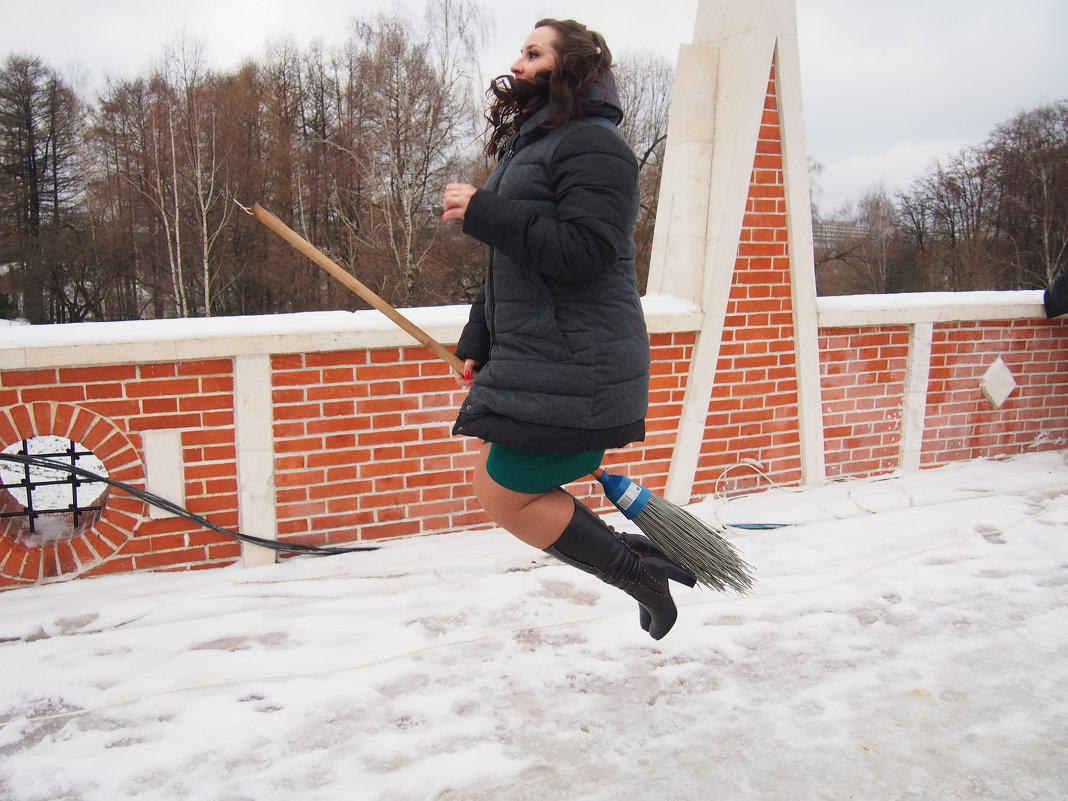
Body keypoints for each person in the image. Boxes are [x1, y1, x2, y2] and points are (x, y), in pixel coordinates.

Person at [441, 18, 695, 640]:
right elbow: (514, 267)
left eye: (534, 53)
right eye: (521, 53)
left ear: (569, 68)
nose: (519, 65)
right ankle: (640, 563)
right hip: (542, 362)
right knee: (499, 485)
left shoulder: (594, 146)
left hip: (580, 366)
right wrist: (479, 339)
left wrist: (485, 211)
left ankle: (639, 572)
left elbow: (585, 253)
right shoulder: (536, 148)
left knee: (506, 495)